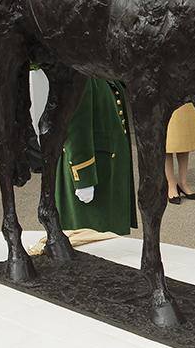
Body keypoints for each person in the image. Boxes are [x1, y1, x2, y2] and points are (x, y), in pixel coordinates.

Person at [54, 79, 136, 235]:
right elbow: (76, 129)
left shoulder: (101, 73)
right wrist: (83, 178)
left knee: (109, 238)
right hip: (92, 171)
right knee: (88, 240)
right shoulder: (82, 76)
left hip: (107, 170)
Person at [165, 103, 195, 204]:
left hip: (186, 95)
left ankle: (183, 182)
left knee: (184, 136)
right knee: (168, 138)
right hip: (165, 95)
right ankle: (171, 184)